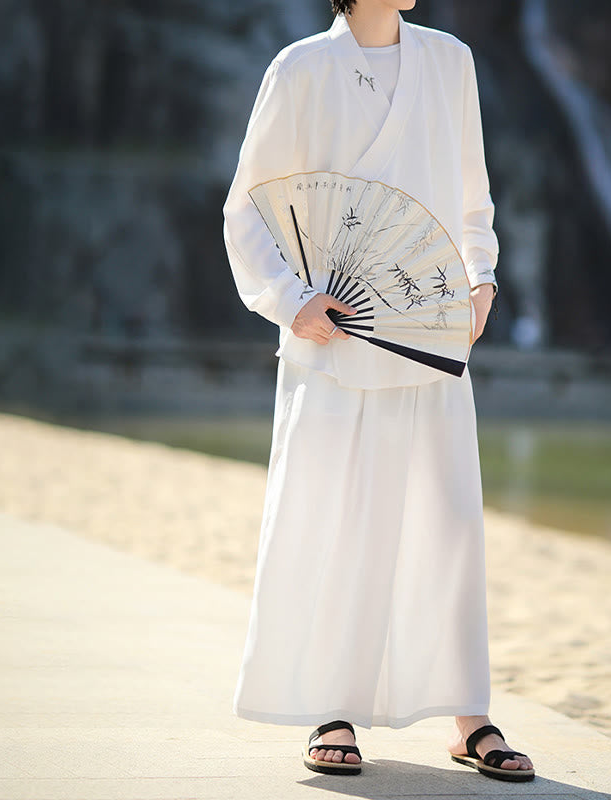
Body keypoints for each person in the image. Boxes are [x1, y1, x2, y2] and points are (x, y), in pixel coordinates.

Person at [222, 0, 535, 783]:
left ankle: (469, 714)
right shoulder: (300, 69)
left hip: (430, 332)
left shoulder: (450, 60)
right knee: (338, 520)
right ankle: (333, 708)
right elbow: (247, 206)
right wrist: (291, 300)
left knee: (450, 521)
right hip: (333, 339)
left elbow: (472, 196)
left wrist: (481, 277)